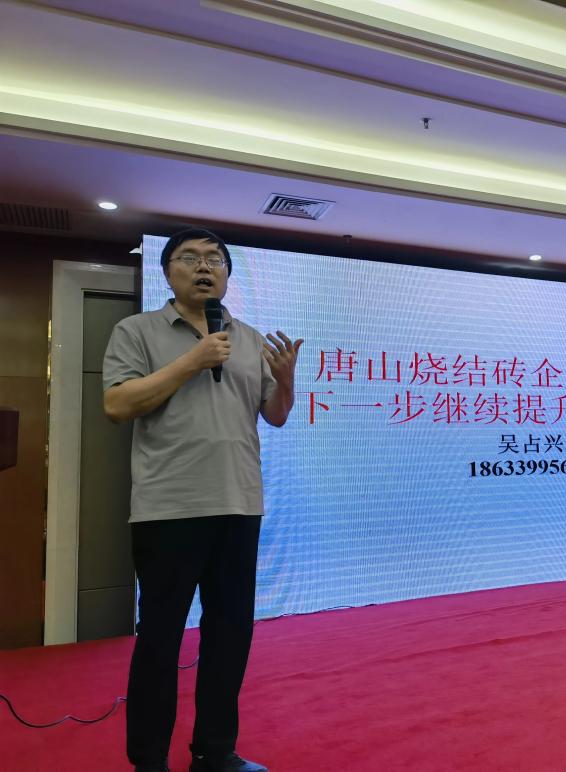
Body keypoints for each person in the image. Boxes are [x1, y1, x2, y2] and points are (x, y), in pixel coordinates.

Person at [103, 228, 303, 772]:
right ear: (167, 271)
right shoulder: (136, 331)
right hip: (169, 508)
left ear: (227, 274)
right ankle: (149, 760)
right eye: (189, 258)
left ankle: (215, 752)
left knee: (230, 635)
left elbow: (275, 415)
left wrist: (286, 382)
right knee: (160, 638)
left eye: (215, 259)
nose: (204, 267)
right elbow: (117, 404)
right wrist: (192, 361)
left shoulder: (249, 338)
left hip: (238, 505)